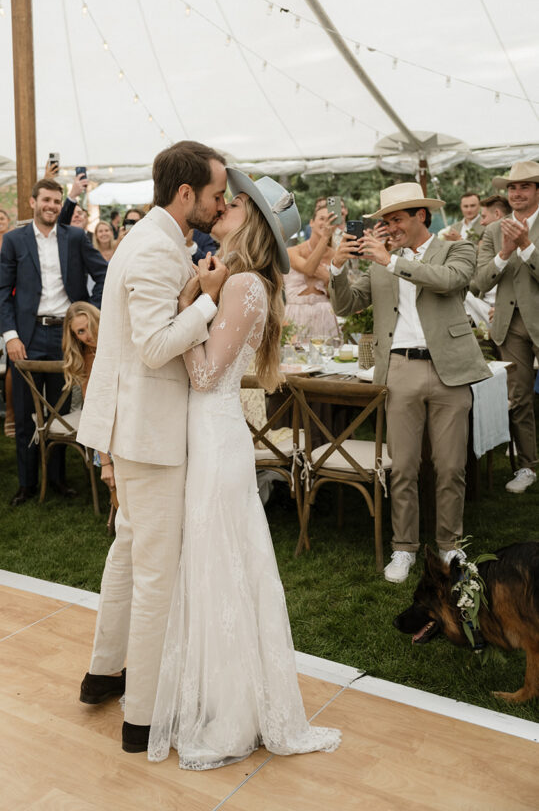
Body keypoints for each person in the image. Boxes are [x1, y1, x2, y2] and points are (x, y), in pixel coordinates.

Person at [148, 170, 341, 770]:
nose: (222, 208)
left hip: (215, 431)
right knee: (224, 562)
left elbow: (205, 375)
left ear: (251, 221)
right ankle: (229, 697)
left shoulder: (241, 287)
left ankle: (230, 712)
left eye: (233, 204)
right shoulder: (248, 282)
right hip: (218, 432)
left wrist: (187, 307)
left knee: (217, 562)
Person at [77, 140, 228, 755]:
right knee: (155, 574)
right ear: (185, 193)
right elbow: (153, 345)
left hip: (136, 429)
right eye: (216, 195)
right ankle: (140, 718)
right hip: (148, 434)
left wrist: (193, 291)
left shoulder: (156, 243)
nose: (219, 206)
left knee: (128, 551)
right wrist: (208, 299)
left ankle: (101, 674)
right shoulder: (154, 249)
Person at [329, 182, 490, 584]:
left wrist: (391, 261)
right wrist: (335, 267)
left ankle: (449, 544)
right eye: (385, 220)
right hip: (399, 369)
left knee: (451, 466)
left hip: (449, 368)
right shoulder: (383, 261)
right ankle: (404, 548)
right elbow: (348, 304)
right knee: (402, 466)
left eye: (396, 218)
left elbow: (448, 281)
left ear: (421, 215)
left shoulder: (457, 248)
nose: (390, 227)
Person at [0, 178, 108, 507]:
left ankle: (57, 478)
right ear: (33, 202)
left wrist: (90, 312)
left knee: (59, 407)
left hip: (66, 336)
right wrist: (11, 336)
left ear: (61, 205)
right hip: (27, 335)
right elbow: (2, 291)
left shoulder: (76, 238)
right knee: (28, 409)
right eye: (46, 199)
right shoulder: (14, 240)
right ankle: (27, 483)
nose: (52, 206)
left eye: (57, 201)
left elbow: (105, 273)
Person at [474, 161, 539, 494]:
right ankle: (528, 467)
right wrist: (504, 252)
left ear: (537, 191)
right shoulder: (493, 231)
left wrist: (527, 246)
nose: (516, 193)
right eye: (512, 188)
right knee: (519, 398)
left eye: (524, 186)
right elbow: (479, 281)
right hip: (510, 326)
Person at [61, 301, 116, 504]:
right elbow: (94, 409)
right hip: (108, 426)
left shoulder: (121, 341)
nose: (89, 335)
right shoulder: (85, 358)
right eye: (81, 332)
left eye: (91, 326)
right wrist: (105, 461)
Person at [284, 202, 341, 342]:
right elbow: (309, 270)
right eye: (322, 218)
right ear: (311, 222)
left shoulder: (336, 255)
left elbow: (336, 295)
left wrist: (328, 279)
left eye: (330, 219)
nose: (326, 223)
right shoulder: (292, 251)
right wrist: (325, 238)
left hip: (324, 314)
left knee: (328, 358)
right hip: (295, 314)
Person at [464, 195, 511, 327]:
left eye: (484, 217)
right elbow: (480, 281)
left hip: (507, 310)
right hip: (484, 303)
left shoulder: (517, 238)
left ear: (497, 214)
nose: (481, 222)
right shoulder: (488, 239)